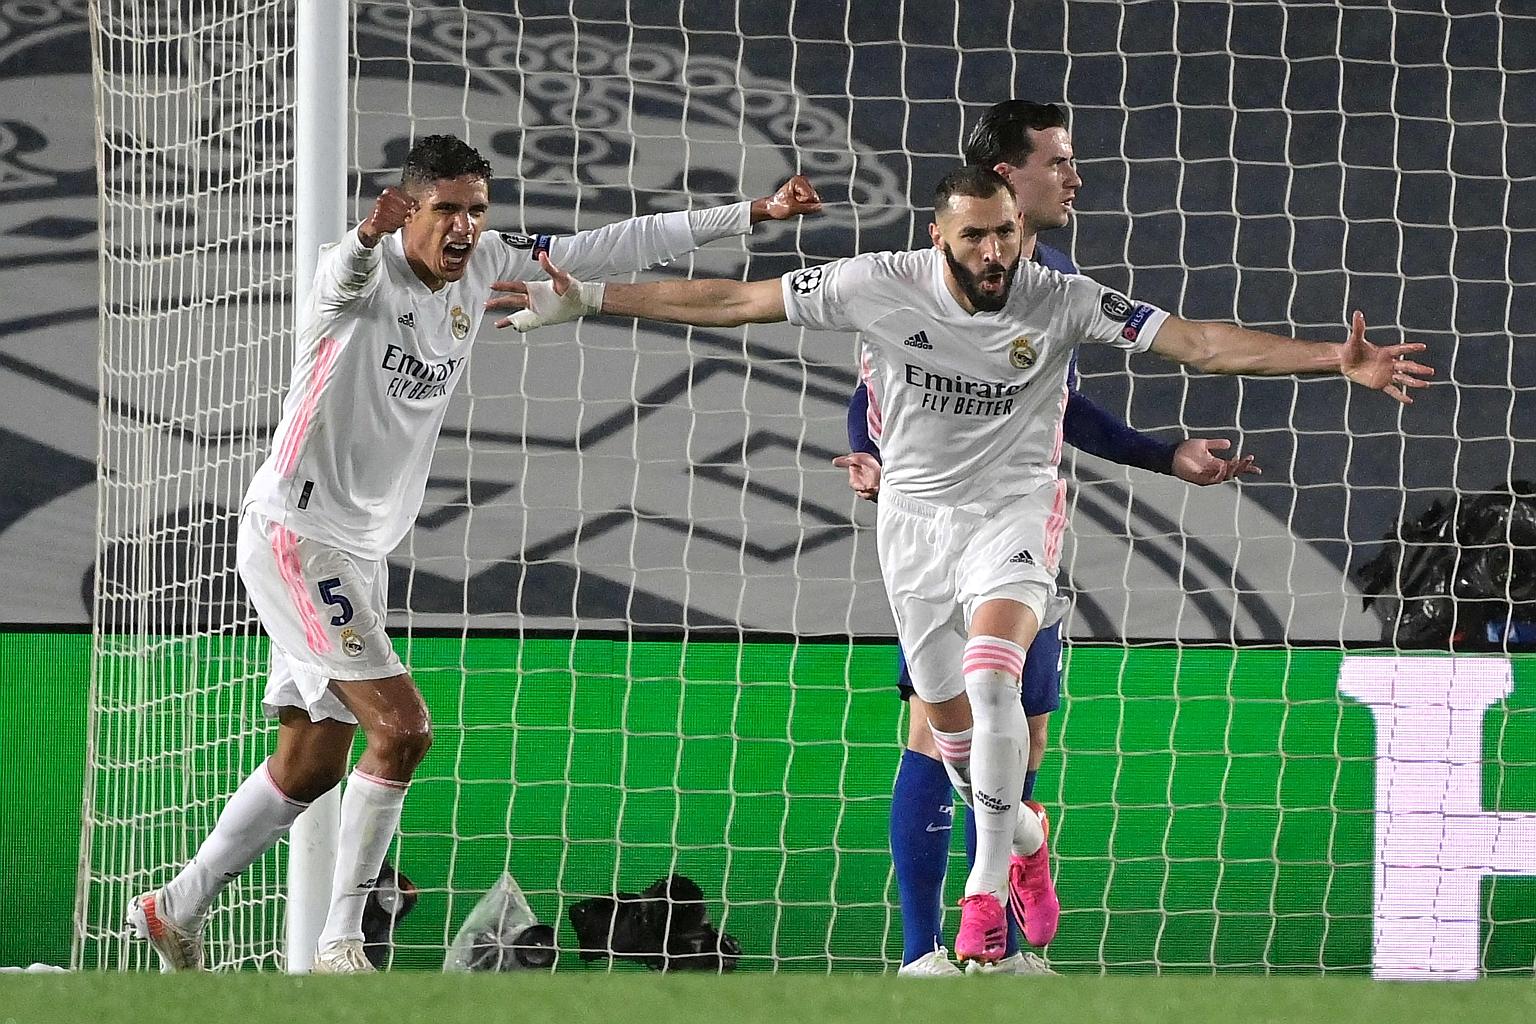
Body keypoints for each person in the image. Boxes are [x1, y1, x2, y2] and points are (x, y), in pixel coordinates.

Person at [487, 163, 1431, 969]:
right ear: (938, 233)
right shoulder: (875, 283)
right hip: (913, 530)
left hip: (1014, 515)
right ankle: (1022, 839)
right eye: (977, 236)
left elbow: (1199, 343)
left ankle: (983, 898)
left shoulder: (1061, 297)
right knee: (951, 738)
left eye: (1008, 235)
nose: (995, 253)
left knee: (994, 679)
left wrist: (1328, 361)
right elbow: (735, 301)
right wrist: (590, 297)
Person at [125, 134, 824, 973]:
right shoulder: (356, 273)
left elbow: (614, 242)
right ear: (408, 208)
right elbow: (340, 278)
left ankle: (174, 907)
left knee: (310, 763)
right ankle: (343, 941)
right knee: (405, 730)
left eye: (476, 210)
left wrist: (749, 211)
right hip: (297, 536)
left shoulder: (486, 262)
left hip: (355, 551)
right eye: (446, 210)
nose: (464, 228)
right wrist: (360, 237)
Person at [838, 100, 1259, 978]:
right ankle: (926, 951)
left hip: (1020, 524)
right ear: (1005, 175)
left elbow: (1067, 406)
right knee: (935, 729)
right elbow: (887, 375)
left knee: (1021, 735)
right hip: (934, 529)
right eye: (1059, 161)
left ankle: (998, 934)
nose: (1075, 176)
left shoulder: (1050, 275)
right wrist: (864, 446)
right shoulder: (929, 270)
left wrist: (1160, 454)